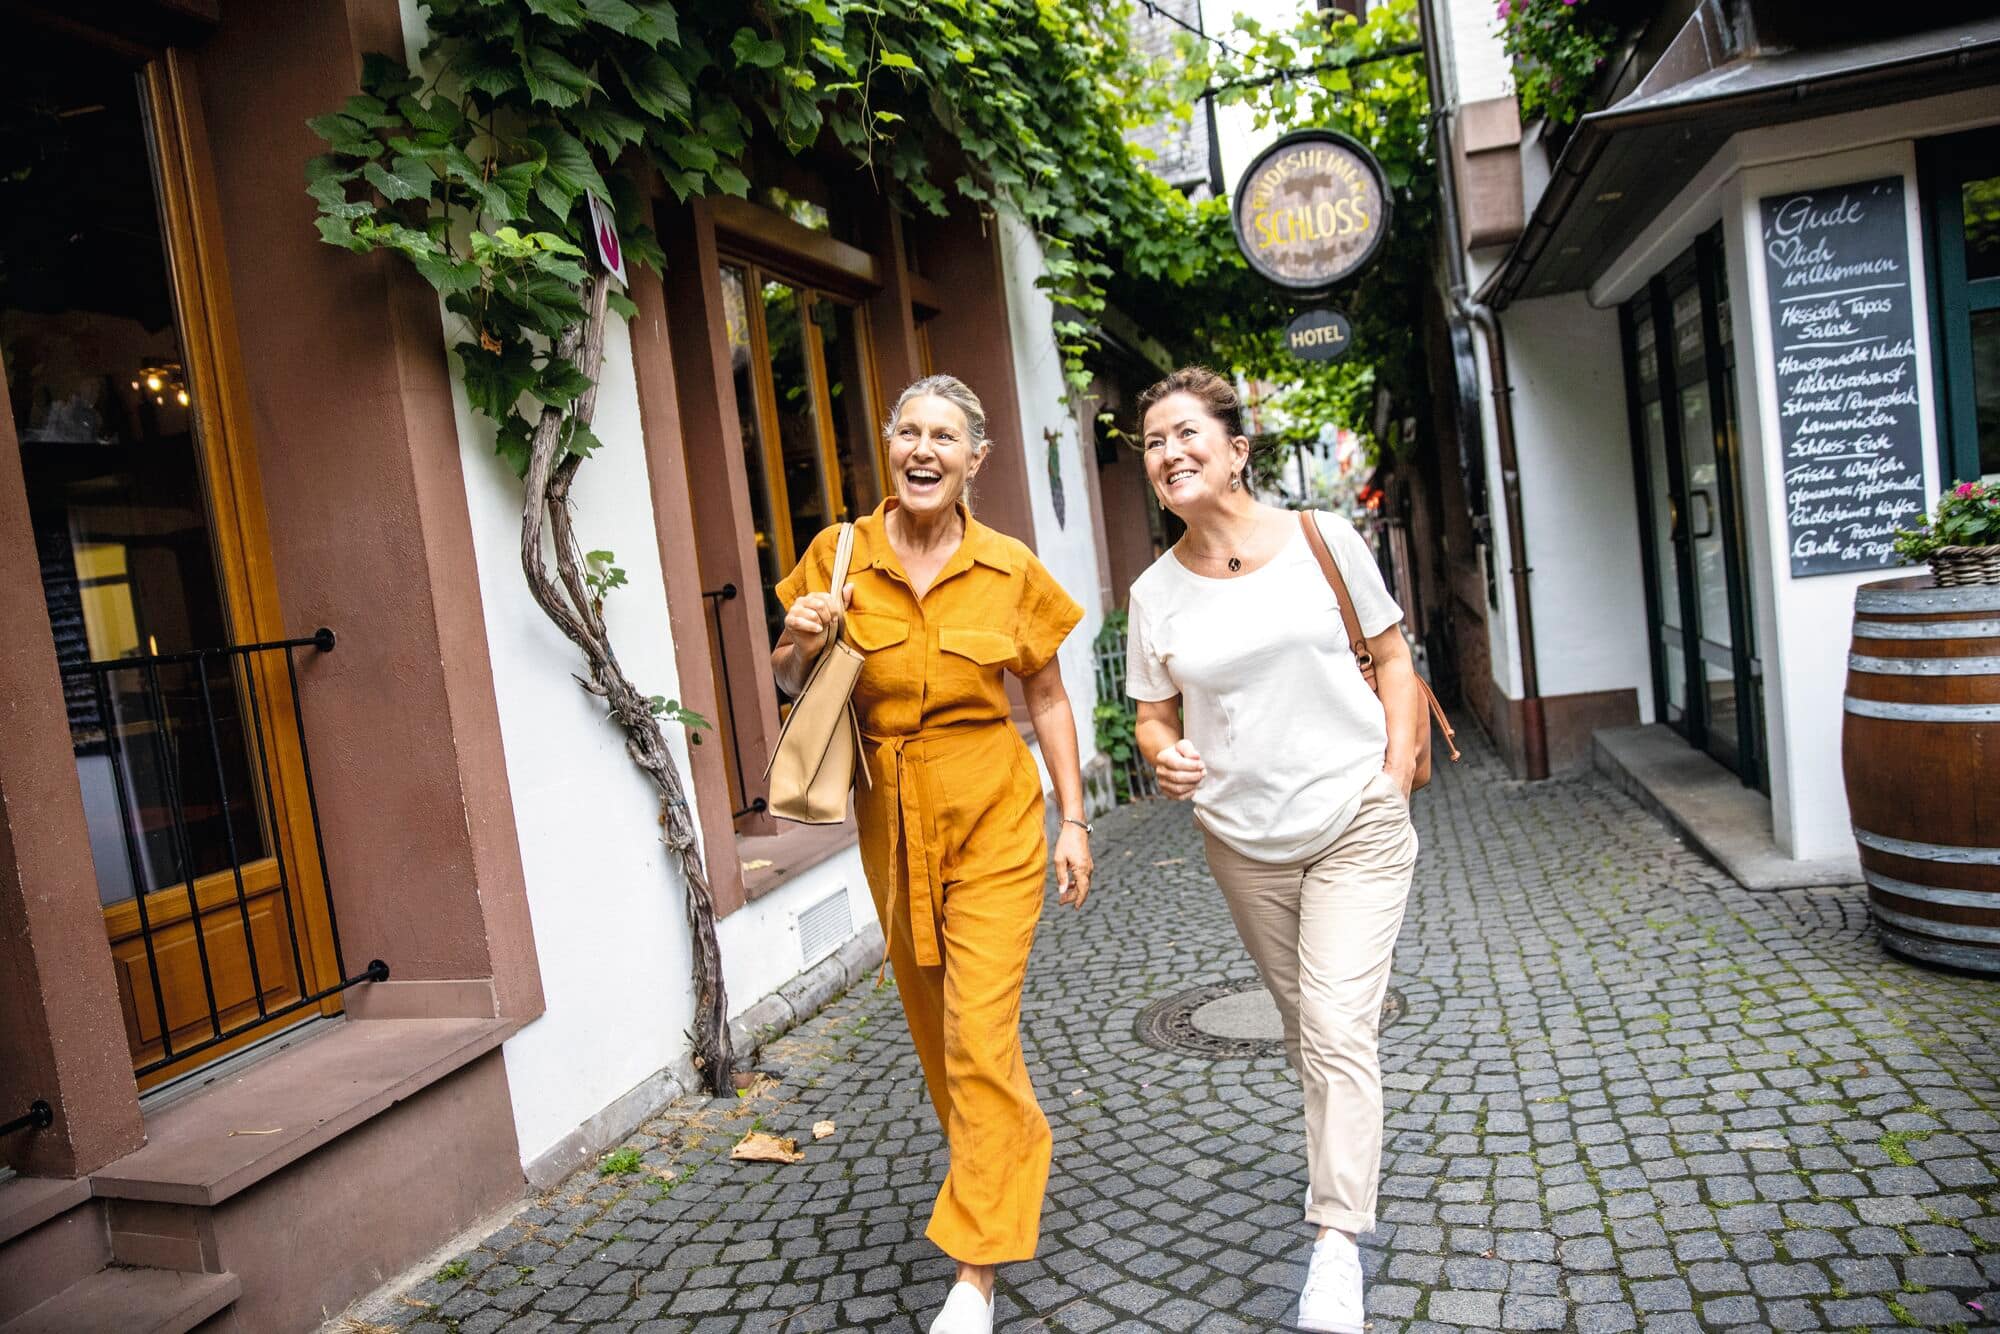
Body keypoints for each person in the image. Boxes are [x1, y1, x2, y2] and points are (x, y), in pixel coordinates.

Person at [772, 374, 1093, 1334]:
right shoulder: (840, 555)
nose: (923, 450)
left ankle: (976, 1270)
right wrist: (795, 641)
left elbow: (1046, 698)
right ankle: (1012, 1147)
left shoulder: (1007, 566)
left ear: (974, 459)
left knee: (976, 1032)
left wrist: (1073, 819)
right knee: (935, 1033)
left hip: (994, 811)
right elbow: (796, 682)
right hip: (892, 817)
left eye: (943, 437)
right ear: (888, 445)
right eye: (908, 432)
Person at [1123, 367, 1425, 1334]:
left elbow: (1391, 657)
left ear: (1236, 448)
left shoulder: (1322, 538)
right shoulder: (1153, 592)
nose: (1168, 453)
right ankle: (1343, 1153)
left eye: (1184, 434)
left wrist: (1397, 773)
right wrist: (1167, 758)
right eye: (1152, 443)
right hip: (1243, 843)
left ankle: (1335, 1246)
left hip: (1354, 821)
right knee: (1310, 1028)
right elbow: (1151, 716)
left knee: (1337, 1026)